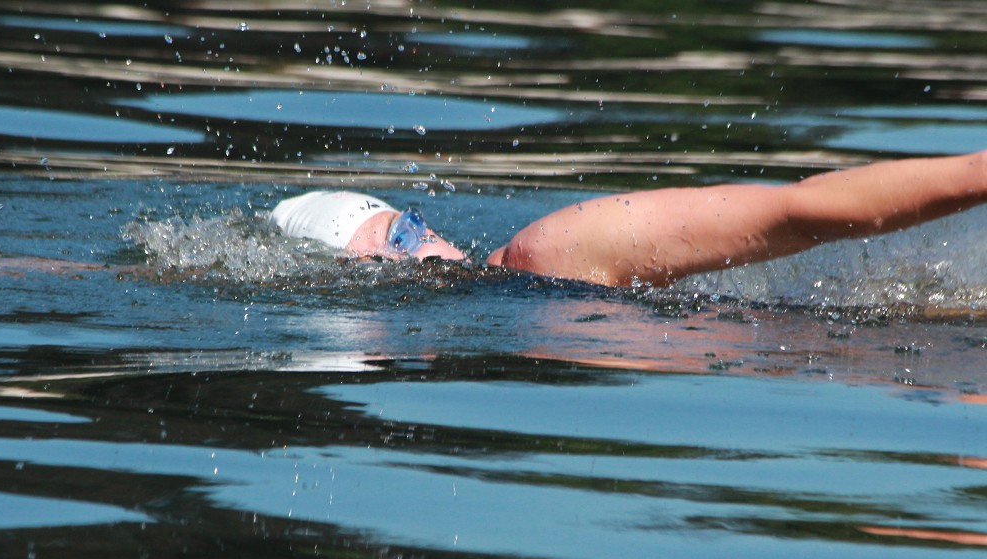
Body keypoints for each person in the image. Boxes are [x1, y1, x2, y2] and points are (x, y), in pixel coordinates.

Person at [270, 151, 987, 288]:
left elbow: (798, 210)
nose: (414, 256)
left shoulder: (547, 252)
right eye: (382, 261)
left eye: (406, 230)